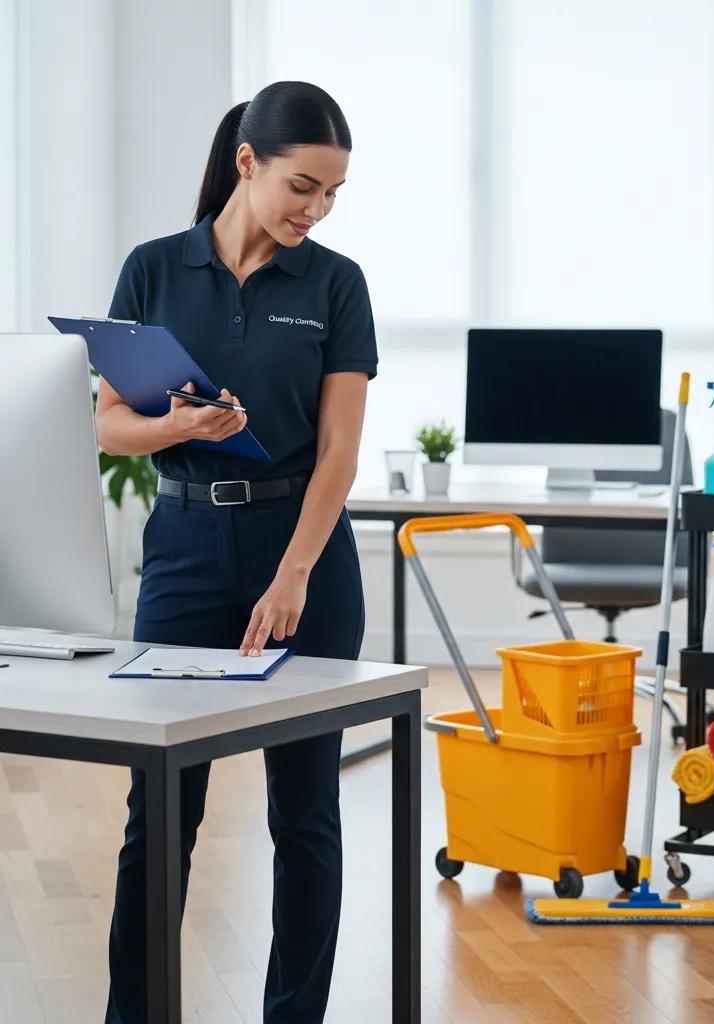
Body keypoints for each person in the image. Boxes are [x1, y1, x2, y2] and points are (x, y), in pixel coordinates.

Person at [94, 80, 377, 1023]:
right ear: (247, 163)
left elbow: (339, 449)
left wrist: (294, 571)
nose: (317, 210)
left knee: (304, 813)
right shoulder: (154, 270)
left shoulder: (336, 283)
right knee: (161, 812)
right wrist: (180, 423)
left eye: (332, 194)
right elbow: (108, 426)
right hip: (182, 549)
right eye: (304, 186)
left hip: (304, 552)